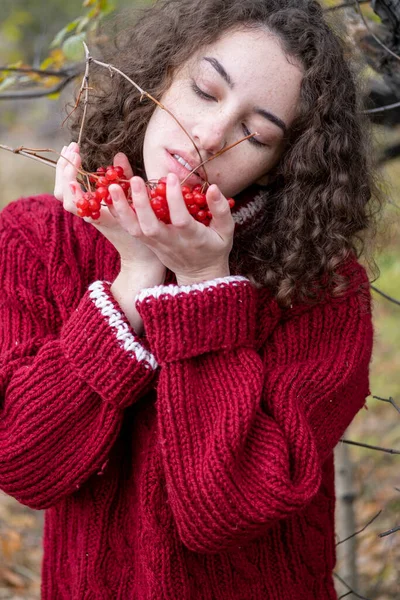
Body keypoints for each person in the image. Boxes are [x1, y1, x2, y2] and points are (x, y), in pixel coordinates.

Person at [0, 0, 382, 598]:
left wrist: (204, 282)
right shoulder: (37, 237)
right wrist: (134, 278)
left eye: (254, 133)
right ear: (163, 75)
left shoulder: (321, 288)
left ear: (283, 162)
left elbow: (226, 511)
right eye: (206, 91)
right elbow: (26, 463)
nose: (208, 138)